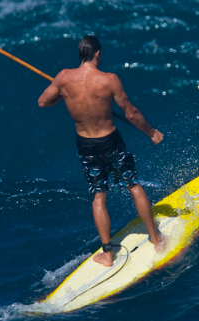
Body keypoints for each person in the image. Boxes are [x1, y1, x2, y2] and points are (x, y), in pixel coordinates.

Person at [38, 35, 164, 267]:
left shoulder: (64, 77)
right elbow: (131, 113)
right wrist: (152, 133)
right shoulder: (109, 80)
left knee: (98, 196)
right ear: (98, 54)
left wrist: (64, 94)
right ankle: (156, 240)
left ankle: (107, 255)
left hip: (85, 144)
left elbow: (43, 102)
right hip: (110, 142)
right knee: (133, 186)